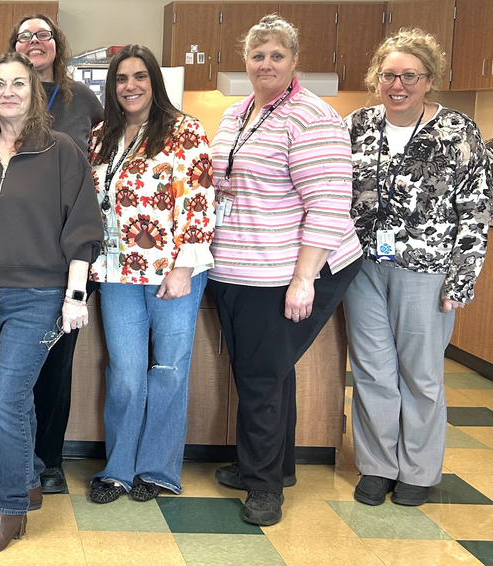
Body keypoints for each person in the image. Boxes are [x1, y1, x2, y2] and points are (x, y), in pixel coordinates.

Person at [207, 15, 363, 526]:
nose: (266, 64)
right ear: (245, 61)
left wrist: (303, 279)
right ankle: (277, 466)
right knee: (265, 373)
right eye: (258, 55)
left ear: (295, 61)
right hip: (239, 264)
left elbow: (329, 204)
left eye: (277, 55)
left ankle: (264, 487)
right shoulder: (237, 112)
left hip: (285, 269)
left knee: (260, 378)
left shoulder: (313, 117)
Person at [0, 52, 101, 556]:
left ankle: (12, 508)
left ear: (34, 93)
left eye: (18, 83)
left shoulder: (60, 151)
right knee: (13, 398)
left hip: (38, 297)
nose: (8, 91)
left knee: (7, 401)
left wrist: (74, 294)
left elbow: (83, 227)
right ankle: (30, 480)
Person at [345, 29, 490, 507]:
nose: (398, 85)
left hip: (426, 269)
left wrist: (461, 279)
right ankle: (377, 465)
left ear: (430, 80)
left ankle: (418, 470)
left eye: (410, 76)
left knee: (421, 374)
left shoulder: (458, 131)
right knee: (371, 370)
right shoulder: (357, 125)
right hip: (362, 266)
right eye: (389, 75)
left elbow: (476, 210)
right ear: (377, 79)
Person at [87, 45, 215, 504]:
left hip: (173, 272)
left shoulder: (184, 130)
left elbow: (199, 199)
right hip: (116, 272)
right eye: (121, 79)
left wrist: (184, 267)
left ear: (154, 82)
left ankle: (157, 469)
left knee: (168, 369)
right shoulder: (101, 135)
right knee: (125, 373)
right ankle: (118, 469)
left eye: (140, 76)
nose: (131, 86)